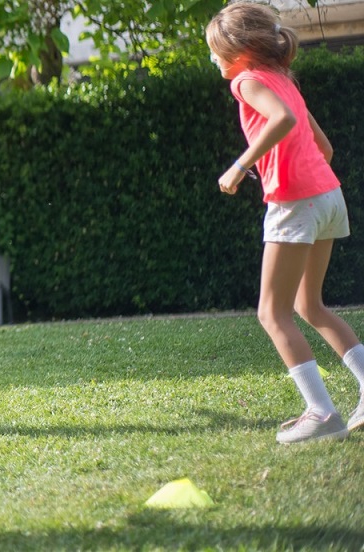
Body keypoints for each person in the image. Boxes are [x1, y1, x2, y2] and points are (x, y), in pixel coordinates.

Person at [207, 2, 364, 443]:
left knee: (271, 313)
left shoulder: (247, 81)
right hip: (328, 196)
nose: (214, 60)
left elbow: (283, 121)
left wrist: (241, 166)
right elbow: (325, 149)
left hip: (296, 203)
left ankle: (321, 413)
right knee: (309, 307)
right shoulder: (284, 81)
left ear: (239, 51)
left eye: (216, 51)